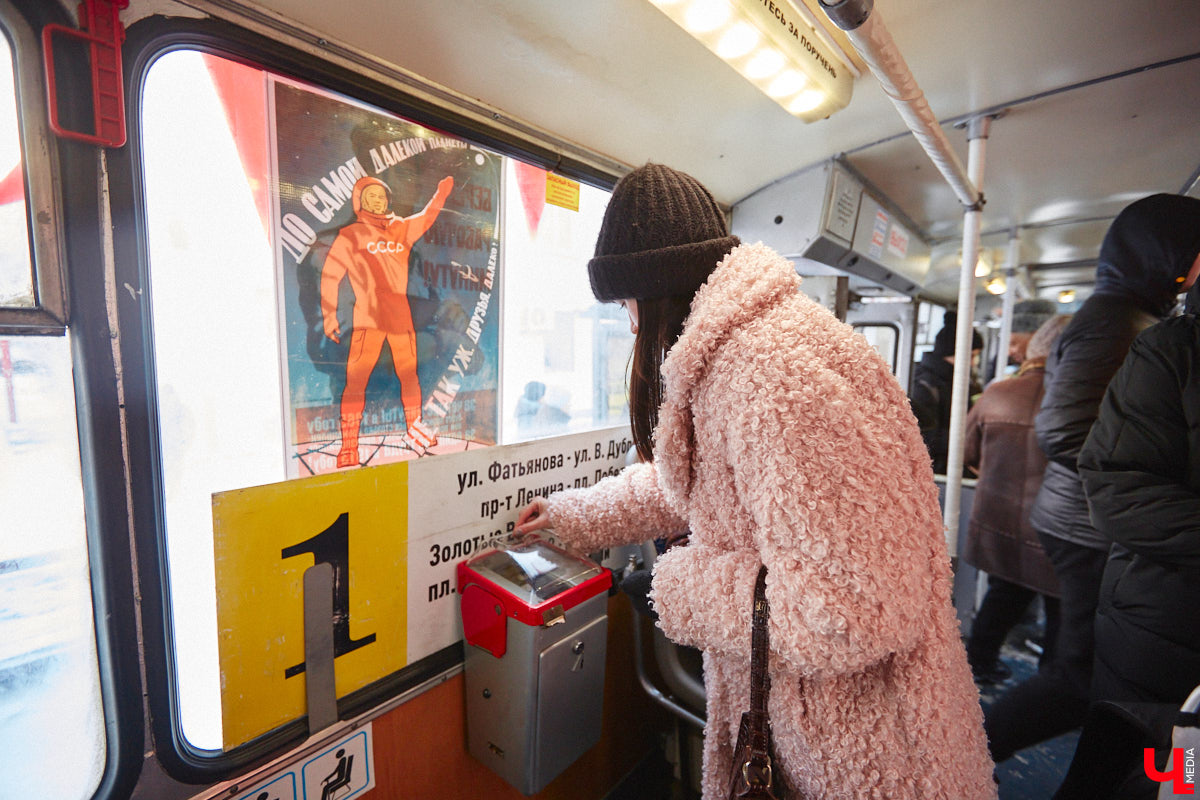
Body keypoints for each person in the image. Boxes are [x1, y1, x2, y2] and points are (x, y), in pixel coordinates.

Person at [515, 163, 995, 799]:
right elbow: (701, 485)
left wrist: (678, 584)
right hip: (814, 728)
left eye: (628, 304)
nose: (631, 325)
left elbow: (849, 609)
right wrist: (574, 517)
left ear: (659, 291)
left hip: (871, 755)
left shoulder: (767, 376)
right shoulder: (740, 357)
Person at [983, 193, 1200, 767]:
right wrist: (1137, 470)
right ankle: (960, 756)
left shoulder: (1130, 315)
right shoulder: (1116, 323)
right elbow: (1064, 431)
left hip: (1083, 520)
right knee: (1078, 678)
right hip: (1088, 525)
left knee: (1077, 666)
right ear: (1167, 252)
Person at [1050, 244, 1200, 799]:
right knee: (1157, 773)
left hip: (1087, 540)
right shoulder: (1160, 344)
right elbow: (1093, 462)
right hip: (1161, 617)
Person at [962, 313, 1070, 684]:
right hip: (1057, 527)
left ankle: (979, 665)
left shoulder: (997, 394)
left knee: (1002, 596)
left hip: (998, 519)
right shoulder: (1081, 403)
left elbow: (967, 453)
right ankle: (1048, 687)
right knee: (1063, 612)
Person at [321, 174, 454, 467]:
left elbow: (427, 215)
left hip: (400, 319)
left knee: (410, 377)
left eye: (381, 197)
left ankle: (416, 433)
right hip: (367, 320)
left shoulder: (400, 228)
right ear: (359, 202)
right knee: (356, 382)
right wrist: (329, 314)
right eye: (371, 197)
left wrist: (441, 193)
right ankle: (349, 448)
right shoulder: (350, 235)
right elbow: (331, 276)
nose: (377, 202)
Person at [910, 311, 983, 474]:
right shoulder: (924, 385)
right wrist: (968, 440)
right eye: (971, 356)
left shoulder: (961, 381)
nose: (973, 363)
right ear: (950, 353)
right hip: (936, 469)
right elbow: (925, 436)